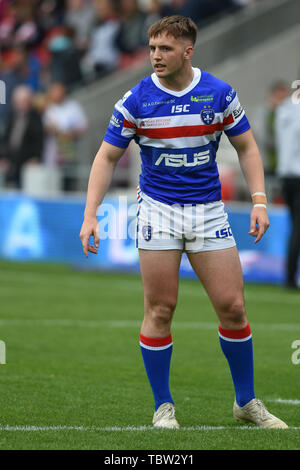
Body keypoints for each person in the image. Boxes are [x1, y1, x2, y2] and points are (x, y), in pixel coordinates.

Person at [79, 15, 288, 429]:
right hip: (158, 212)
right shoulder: (136, 100)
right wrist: (91, 215)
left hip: (209, 212)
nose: (155, 56)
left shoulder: (219, 94)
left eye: (165, 49)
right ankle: (163, 406)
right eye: (152, 48)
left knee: (233, 307)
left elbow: (247, 148)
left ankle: (245, 402)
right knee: (160, 308)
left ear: (188, 51)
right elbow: (106, 157)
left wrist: (260, 201)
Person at [275, 88, 300, 289]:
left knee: (295, 227)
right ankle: (290, 278)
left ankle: (290, 275)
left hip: (286, 177)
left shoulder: (284, 108)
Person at [0, 84, 44, 188]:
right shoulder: (12, 117)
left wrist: (35, 157)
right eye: (20, 101)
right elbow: (5, 138)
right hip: (10, 159)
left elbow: (38, 141)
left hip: (28, 159)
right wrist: (2, 157)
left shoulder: (35, 118)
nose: (22, 104)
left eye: (25, 101)